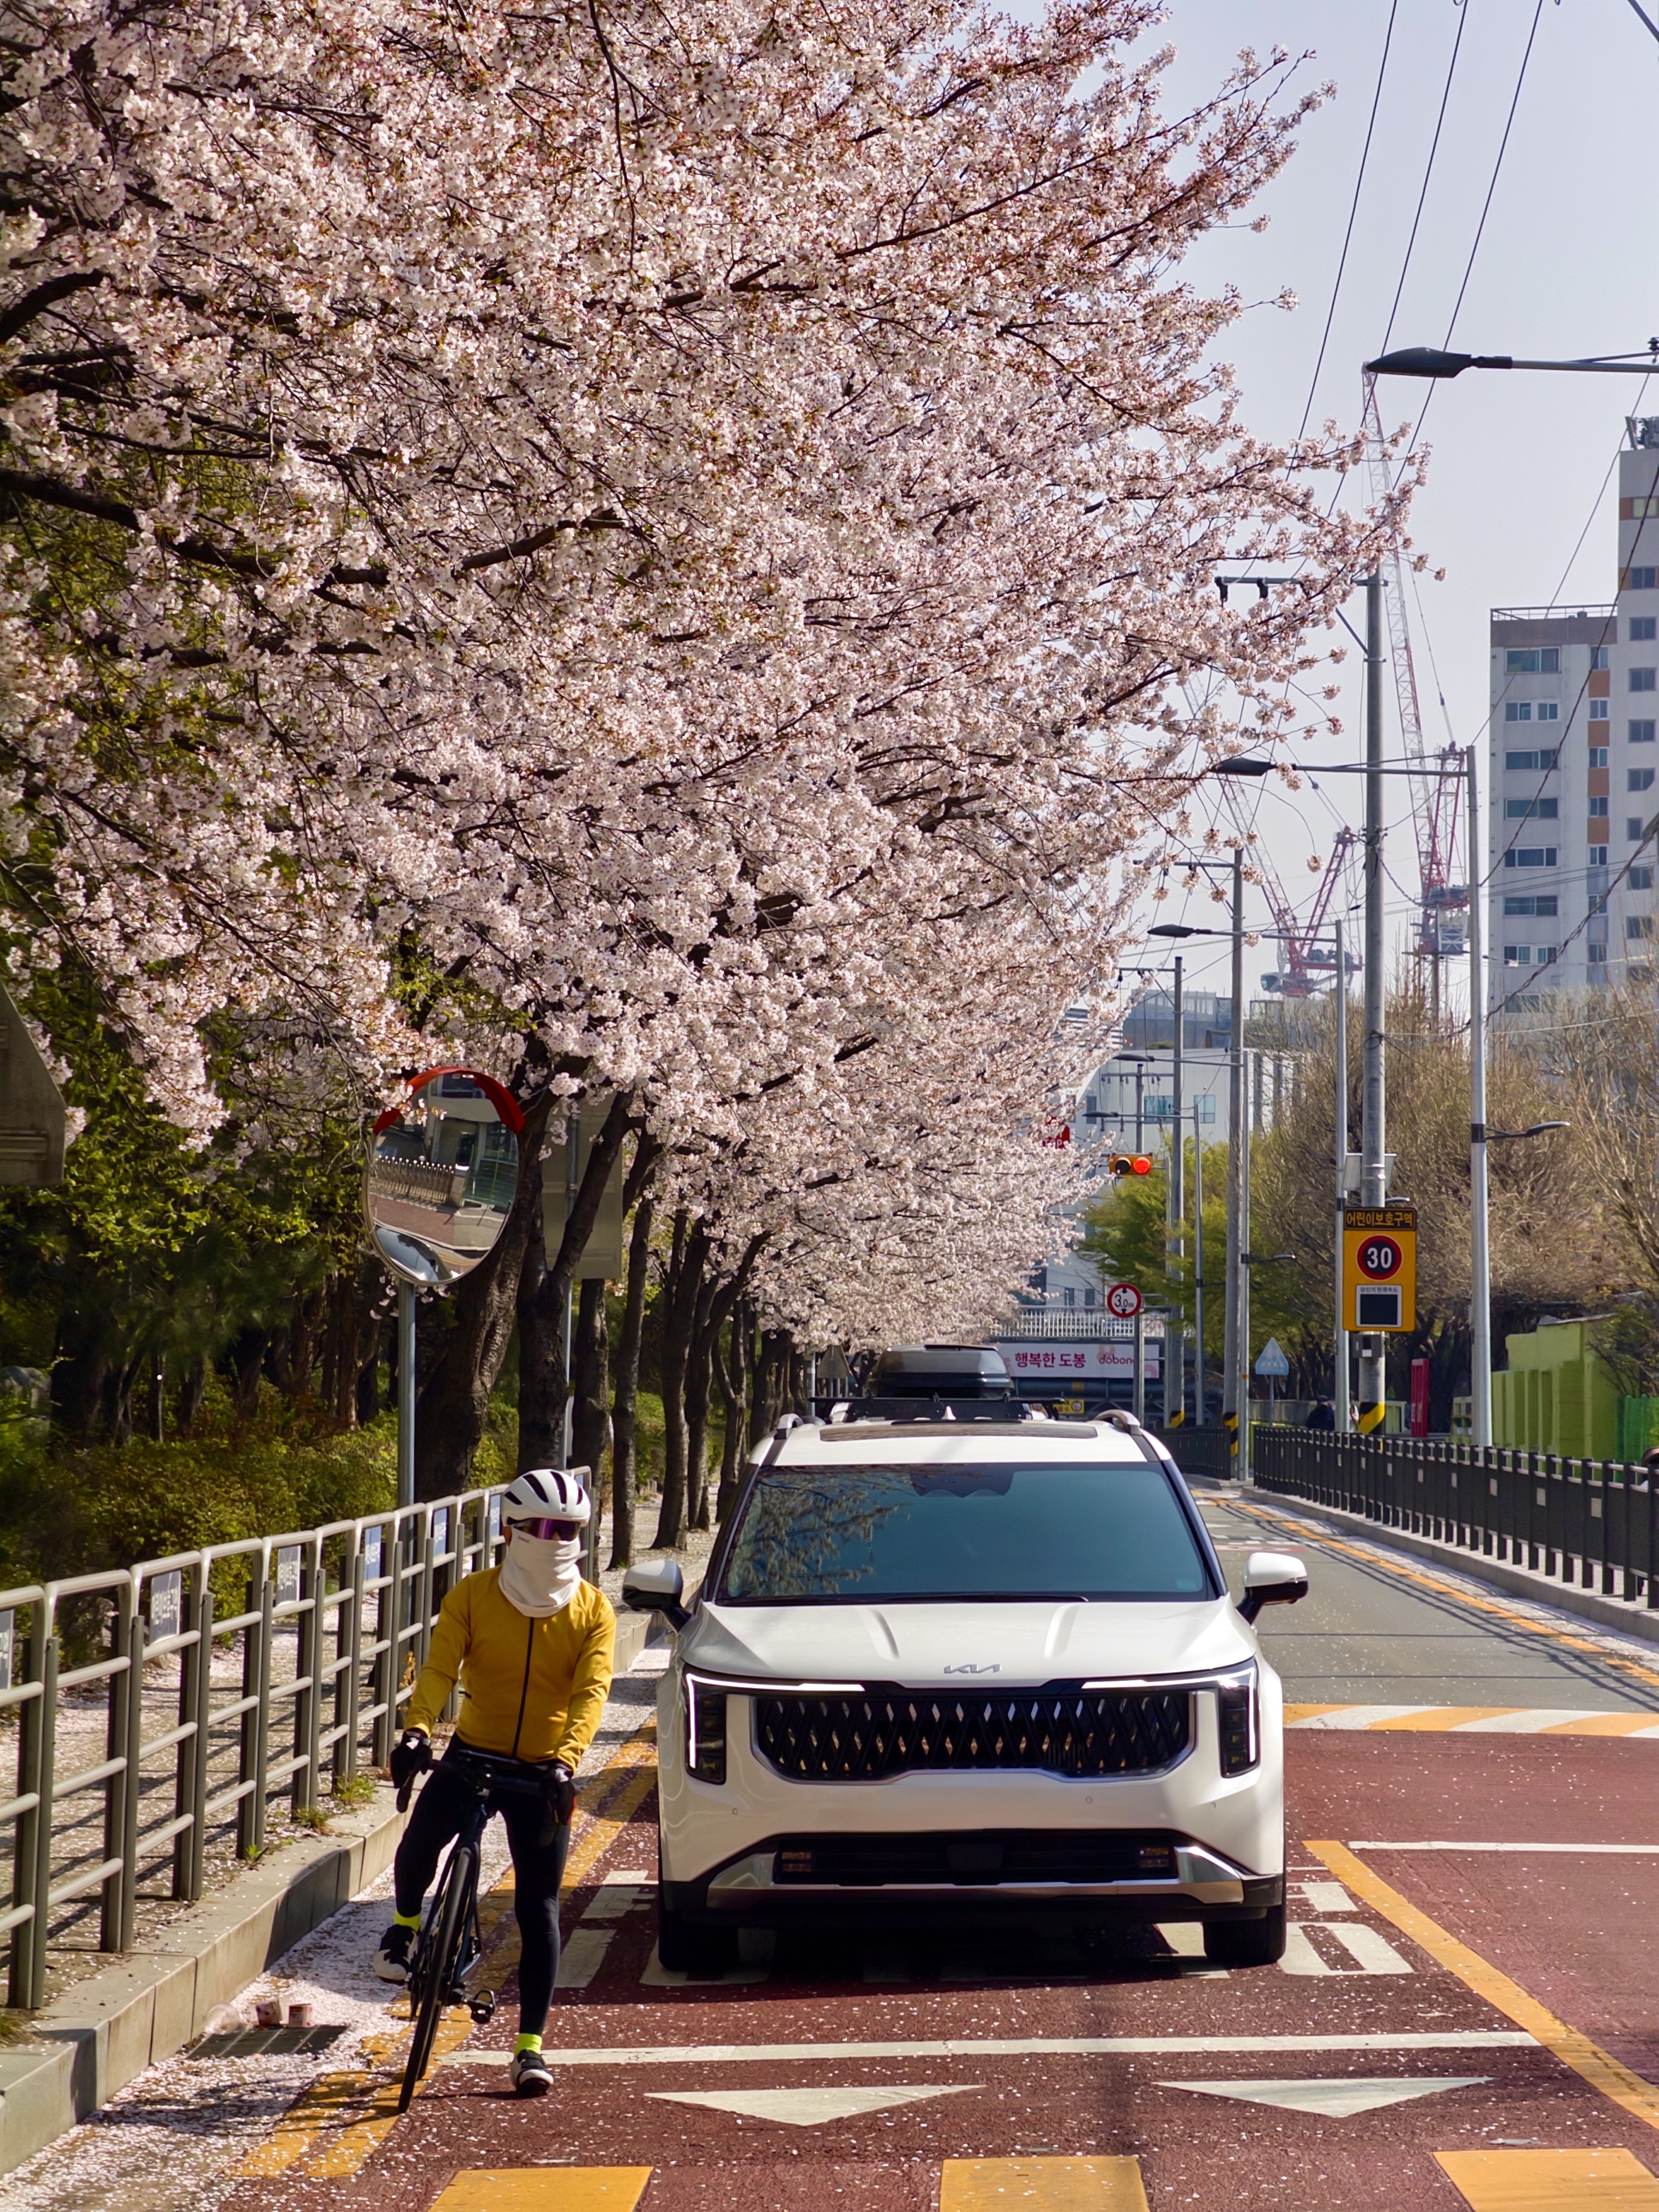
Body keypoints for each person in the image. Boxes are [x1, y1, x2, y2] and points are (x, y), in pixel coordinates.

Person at [374, 1468, 616, 2098]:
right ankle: (403, 1928)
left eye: (564, 1529)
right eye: (537, 1527)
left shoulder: (594, 1611)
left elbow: (592, 1694)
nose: (550, 1537)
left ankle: (530, 2048)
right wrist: (417, 1732)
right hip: (474, 1753)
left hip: (543, 1771)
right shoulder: (473, 1595)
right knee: (420, 1843)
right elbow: (437, 1668)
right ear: (509, 1531)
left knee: (539, 1909)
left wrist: (568, 1760)